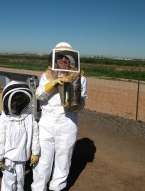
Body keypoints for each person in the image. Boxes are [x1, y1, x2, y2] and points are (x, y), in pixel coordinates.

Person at [31, 42, 88, 191]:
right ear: (54, 59)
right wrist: (53, 84)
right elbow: (39, 95)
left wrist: (75, 104)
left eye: (67, 57)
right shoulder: (47, 75)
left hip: (67, 122)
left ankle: (58, 188)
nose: (64, 60)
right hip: (47, 122)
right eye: (60, 57)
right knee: (43, 161)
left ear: (71, 59)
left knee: (63, 160)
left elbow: (83, 101)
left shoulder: (79, 77)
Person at [0, 81, 40, 191]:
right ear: (8, 101)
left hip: (22, 157)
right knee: (9, 182)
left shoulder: (28, 116)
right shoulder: (5, 119)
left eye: (19, 101)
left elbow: (35, 135)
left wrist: (35, 152)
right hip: (8, 158)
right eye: (15, 101)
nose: (17, 104)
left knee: (20, 181)